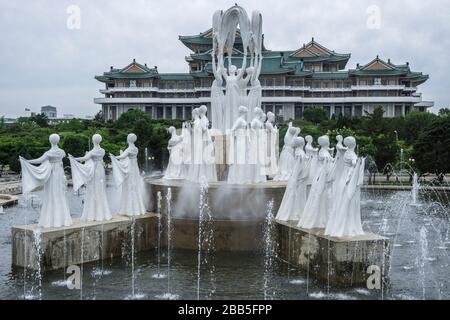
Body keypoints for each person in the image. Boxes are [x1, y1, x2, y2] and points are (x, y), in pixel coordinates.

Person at [19, 134, 72, 228]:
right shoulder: (62, 152)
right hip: (59, 173)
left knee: (51, 194)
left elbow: (38, 160)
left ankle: (51, 220)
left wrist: (27, 161)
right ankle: (62, 219)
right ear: (58, 140)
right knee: (59, 194)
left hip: (51, 174)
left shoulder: (48, 153)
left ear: (50, 141)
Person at [325, 137, 365, 237]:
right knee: (349, 201)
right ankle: (348, 226)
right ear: (354, 144)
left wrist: (339, 140)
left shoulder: (346, 152)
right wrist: (360, 161)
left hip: (343, 178)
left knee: (342, 200)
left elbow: (339, 147)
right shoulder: (351, 154)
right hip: (349, 179)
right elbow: (354, 163)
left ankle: (340, 224)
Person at [69, 134, 112, 222]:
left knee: (93, 189)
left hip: (94, 170)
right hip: (100, 169)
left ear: (93, 141)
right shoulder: (102, 151)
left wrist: (74, 159)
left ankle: (93, 214)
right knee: (100, 190)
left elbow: (84, 158)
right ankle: (102, 213)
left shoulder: (92, 152)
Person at [298, 135, 333, 229]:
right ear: (326, 143)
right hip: (323, 178)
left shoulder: (323, 151)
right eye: (328, 141)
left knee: (324, 198)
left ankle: (324, 218)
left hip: (322, 177)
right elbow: (327, 167)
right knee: (322, 197)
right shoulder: (324, 153)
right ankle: (321, 219)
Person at [110, 133, 147, 216]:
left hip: (130, 168)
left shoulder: (129, 149)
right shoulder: (136, 149)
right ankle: (138, 208)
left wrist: (114, 157)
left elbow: (122, 157)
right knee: (135, 186)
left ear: (128, 140)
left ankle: (128, 209)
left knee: (128, 186)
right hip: (135, 168)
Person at [276, 136, 310, 221]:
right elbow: (298, 167)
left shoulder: (298, 152)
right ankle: (297, 213)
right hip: (299, 178)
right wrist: (298, 177)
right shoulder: (299, 153)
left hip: (299, 178)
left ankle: (299, 212)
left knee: (298, 196)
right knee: (297, 196)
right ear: (302, 143)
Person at [228, 106, 251, 184]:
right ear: (243, 112)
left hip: (243, 141)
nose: (246, 113)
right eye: (245, 112)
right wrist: (238, 135)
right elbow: (232, 129)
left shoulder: (242, 120)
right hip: (240, 142)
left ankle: (242, 178)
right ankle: (238, 178)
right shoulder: (239, 120)